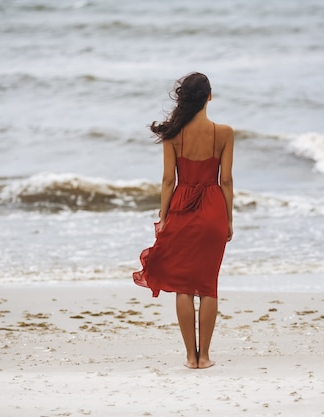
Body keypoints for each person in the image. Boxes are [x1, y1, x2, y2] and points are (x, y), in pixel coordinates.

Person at [133, 72, 234, 369]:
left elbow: (167, 181)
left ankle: (191, 357)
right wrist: (228, 219)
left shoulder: (173, 134)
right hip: (214, 209)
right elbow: (226, 180)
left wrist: (163, 218)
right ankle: (205, 357)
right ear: (209, 97)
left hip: (181, 209)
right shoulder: (225, 133)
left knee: (184, 287)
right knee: (208, 285)